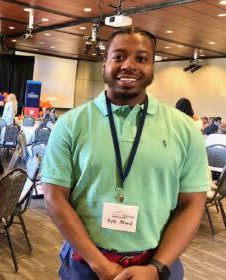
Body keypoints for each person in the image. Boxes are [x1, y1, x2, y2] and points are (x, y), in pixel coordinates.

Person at [42, 27, 209, 280]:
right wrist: (101, 265)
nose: (129, 65)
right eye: (118, 57)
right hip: (85, 263)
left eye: (141, 58)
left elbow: (193, 203)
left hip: (158, 263)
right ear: (104, 64)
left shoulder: (185, 129)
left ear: (153, 67)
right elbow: (54, 197)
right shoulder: (70, 124)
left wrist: (156, 268)